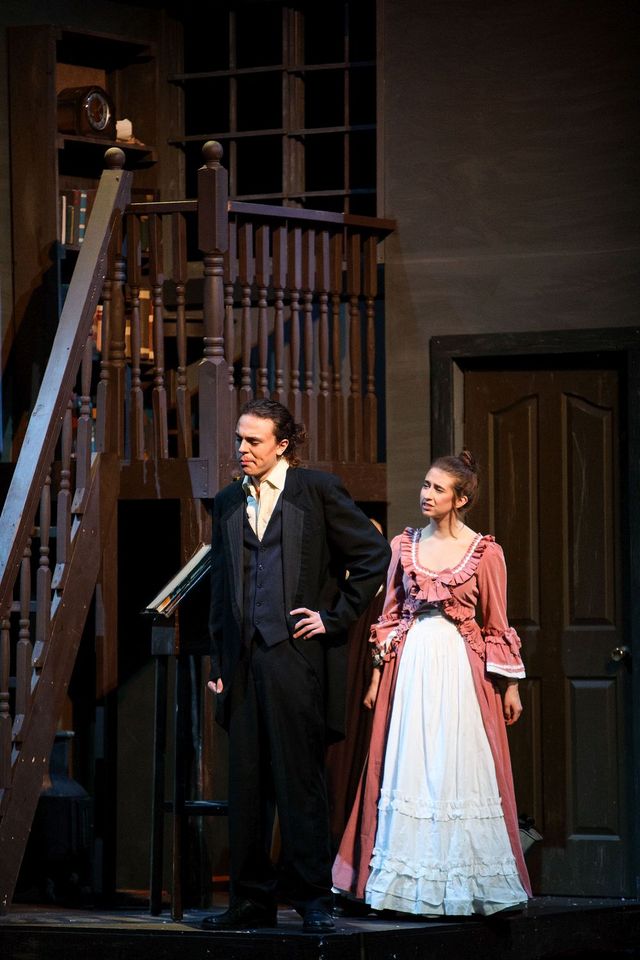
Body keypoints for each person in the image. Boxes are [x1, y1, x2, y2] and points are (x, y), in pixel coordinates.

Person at [202, 399, 391, 933]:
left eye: (254, 441)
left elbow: (374, 555)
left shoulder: (317, 491)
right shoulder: (227, 502)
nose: (242, 449)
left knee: (299, 782)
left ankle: (311, 899)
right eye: (239, 439)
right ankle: (249, 900)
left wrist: (334, 618)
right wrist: (219, 657)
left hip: (294, 658)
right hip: (244, 662)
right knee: (247, 785)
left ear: (282, 445)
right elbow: (222, 585)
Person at [333, 450, 532, 917]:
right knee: (410, 763)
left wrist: (510, 687)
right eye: (426, 485)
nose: (427, 494)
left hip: (461, 670)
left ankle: (464, 879)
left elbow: (496, 623)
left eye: (438, 488)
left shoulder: (485, 553)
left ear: (460, 499)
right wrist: (376, 676)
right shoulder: (404, 547)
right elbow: (389, 617)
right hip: (413, 666)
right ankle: (404, 885)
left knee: (457, 765)